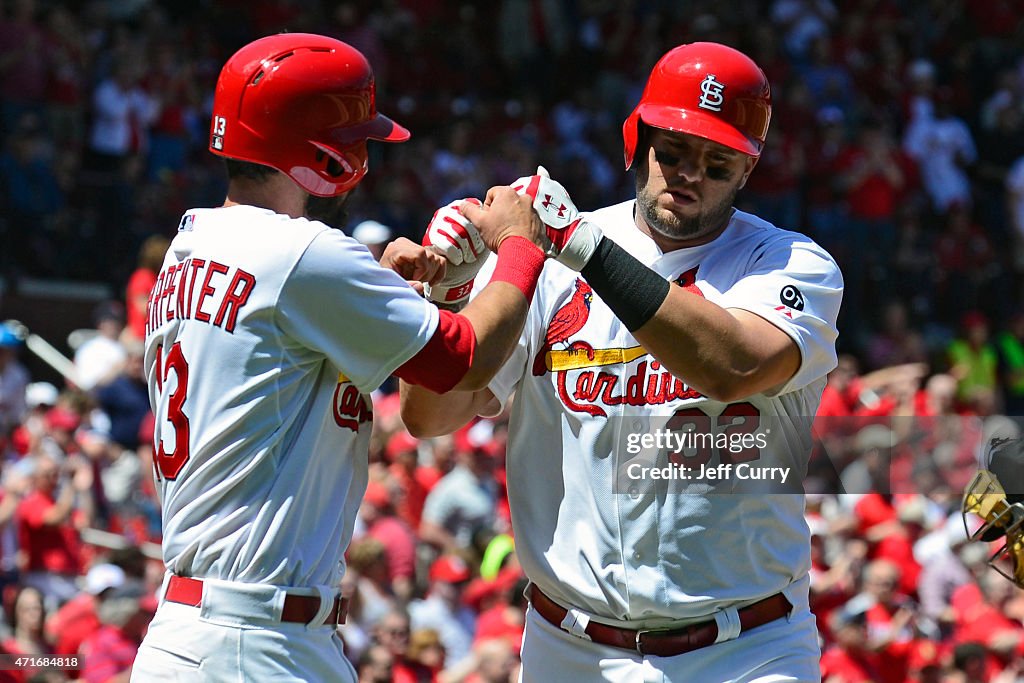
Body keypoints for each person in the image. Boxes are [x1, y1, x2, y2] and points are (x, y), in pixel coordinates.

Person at [402, 42, 843, 681]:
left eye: (719, 162)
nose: (691, 173)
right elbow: (431, 416)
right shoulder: (547, 261)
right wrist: (450, 294)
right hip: (571, 647)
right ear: (636, 142)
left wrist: (579, 245)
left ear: (747, 172)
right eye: (674, 151)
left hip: (747, 647)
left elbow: (734, 366)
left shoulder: (789, 262)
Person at [131, 33, 550, 683]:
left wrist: (379, 282)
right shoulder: (302, 252)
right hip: (256, 637)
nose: (364, 156)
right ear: (320, 150)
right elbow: (463, 360)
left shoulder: (188, 248)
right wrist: (521, 247)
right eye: (357, 140)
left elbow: (278, 358)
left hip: (198, 631)